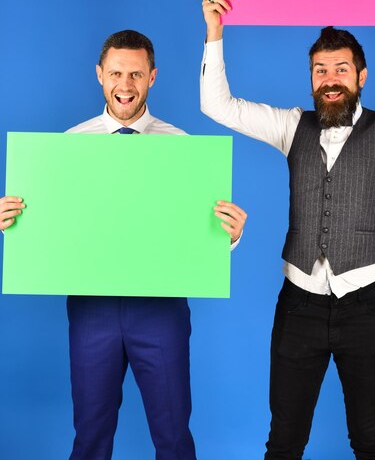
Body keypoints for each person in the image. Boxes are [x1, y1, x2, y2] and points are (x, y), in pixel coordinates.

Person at [200, 0, 375, 460]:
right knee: (285, 440)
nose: (330, 80)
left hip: (366, 307)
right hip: (298, 307)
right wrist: (214, 32)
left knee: (371, 439)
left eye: (340, 69)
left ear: (360, 76)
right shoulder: (291, 126)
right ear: (311, 78)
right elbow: (218, 106)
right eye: (320, 70)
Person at [0, 29, 247, 460]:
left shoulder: (183, 148)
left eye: (136, 74)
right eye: (116, 73)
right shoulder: (68, 147)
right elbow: (51, 231)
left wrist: (231, 236)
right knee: (91, 436)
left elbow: (199, 237)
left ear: (152, 77)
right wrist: (13, 225)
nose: (125, 85)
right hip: (92, 308)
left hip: (160, 309)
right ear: (100, 75)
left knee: (173, 436)